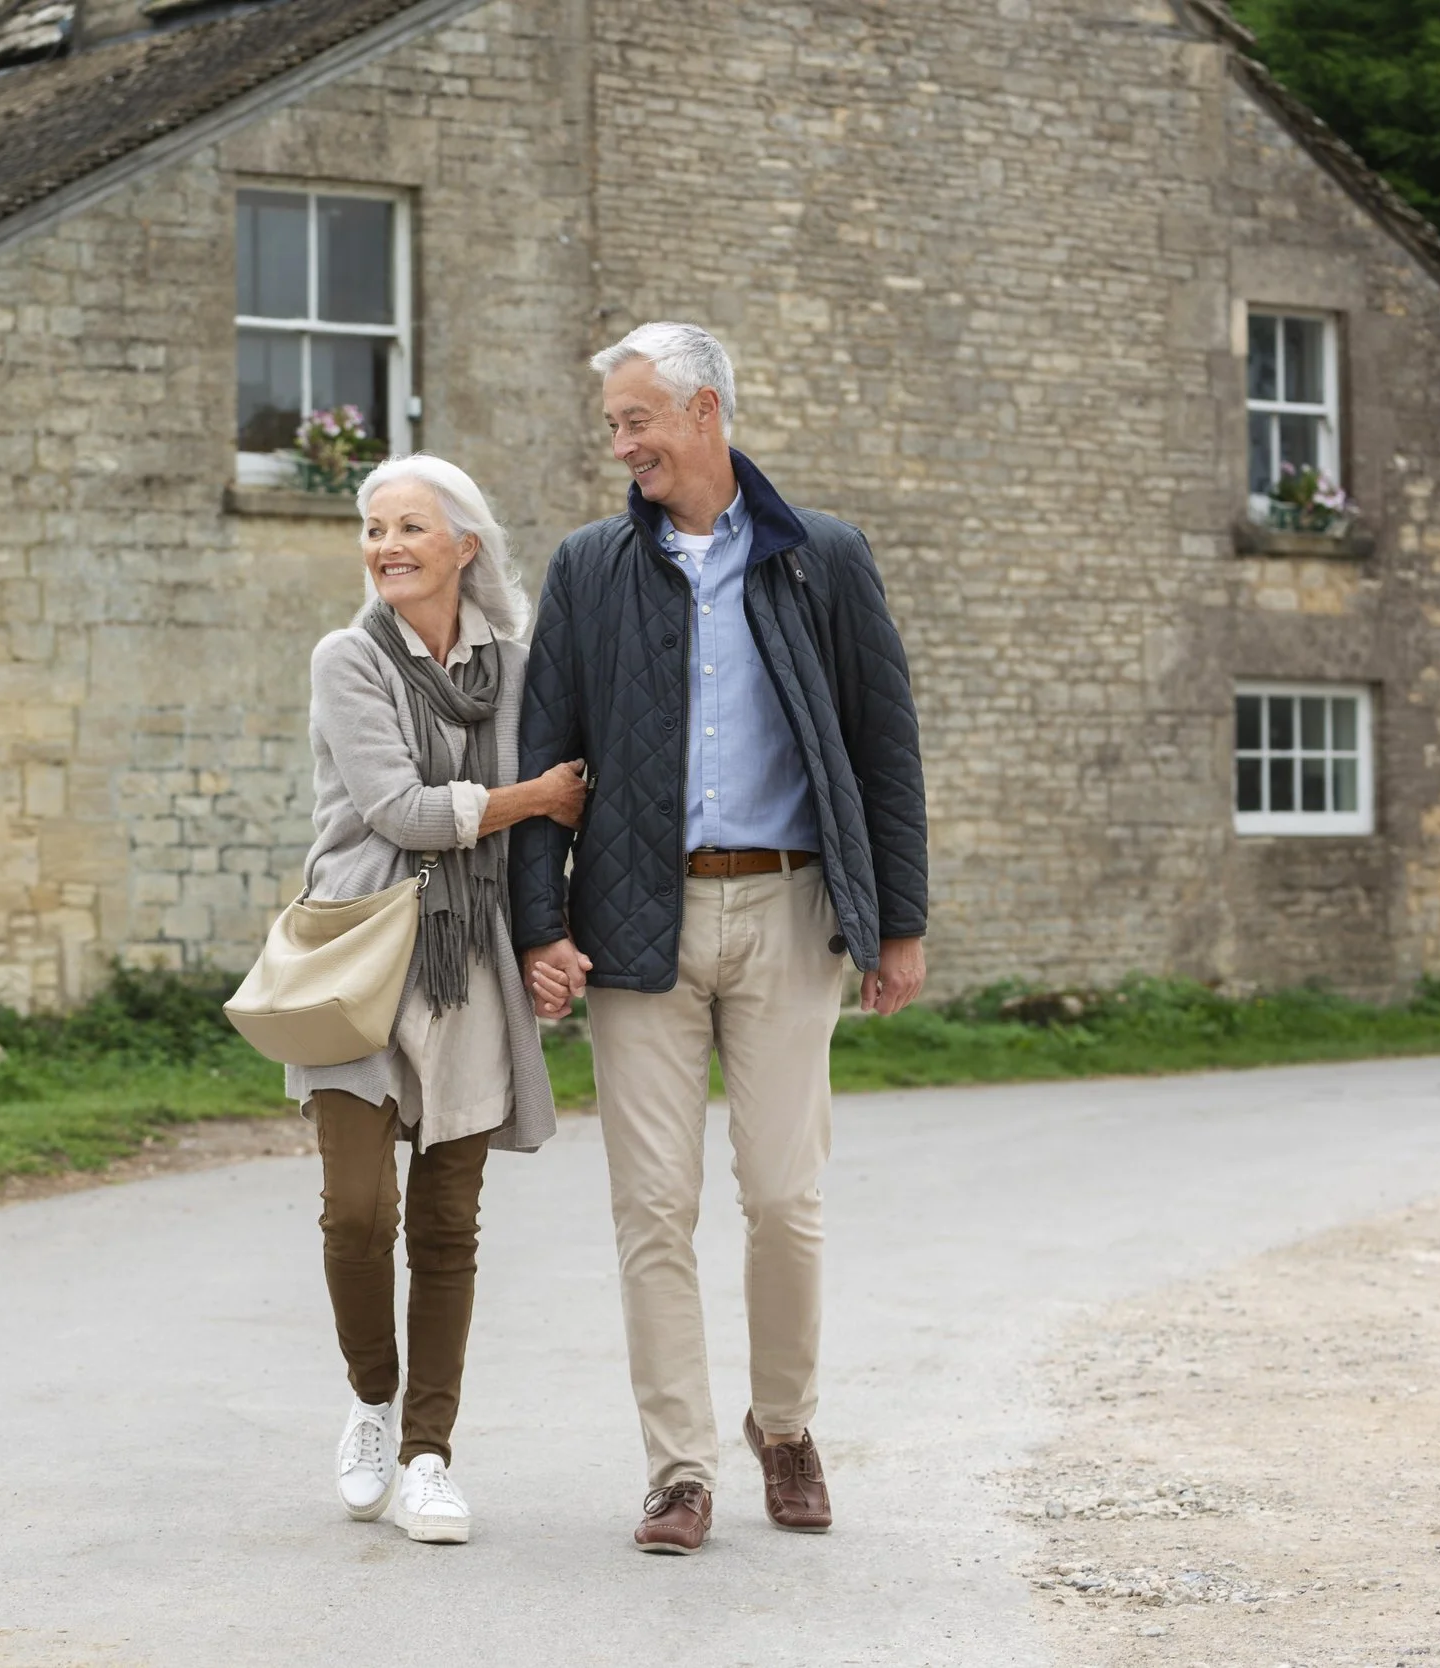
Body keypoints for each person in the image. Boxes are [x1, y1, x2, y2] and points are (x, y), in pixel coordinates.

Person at [512, 322, 929, 1554]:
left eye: (637, 420)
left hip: (792, 912)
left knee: (785, 1200)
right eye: (613, 426)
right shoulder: (589, 567)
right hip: (636, 916)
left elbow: (882, 744)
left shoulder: (822, 558)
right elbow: (542, 756)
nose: (622, 444)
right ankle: (679, 1470)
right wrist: (540, 923)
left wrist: (896, 923)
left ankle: (785, 1428)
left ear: (703, 413)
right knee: (652, 1207)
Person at [289, 453, 582, 1545]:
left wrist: (550, 939)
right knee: (358, 1213)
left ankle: (426, 1453)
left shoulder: (511, 666)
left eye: (410, 527)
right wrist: (533, 796)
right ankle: (371, 1399)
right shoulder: (346, 658)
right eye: (373, 529)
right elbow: (399, 809)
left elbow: (544, 832)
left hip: (471, 958)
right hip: (357, 951)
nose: (387, 547)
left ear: (465, 544)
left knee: (448, 1226)